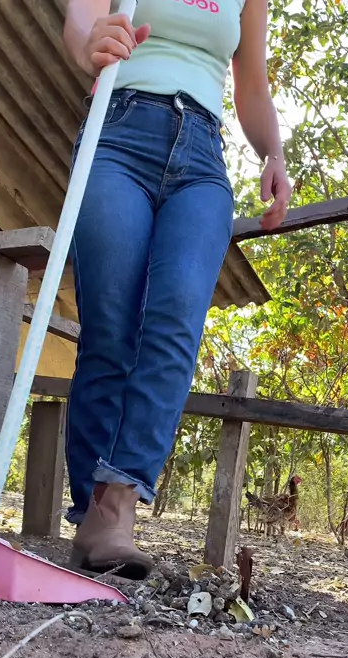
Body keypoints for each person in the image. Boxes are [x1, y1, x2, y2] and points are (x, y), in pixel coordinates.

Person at [63, 0, 291, 580]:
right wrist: (91, 42)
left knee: (175, 323)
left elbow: (252, 84)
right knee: (111, 328)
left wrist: (273, 153)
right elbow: (81, 21)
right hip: (118, 132)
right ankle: (92, 511)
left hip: (203, 157)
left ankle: (115, 508)